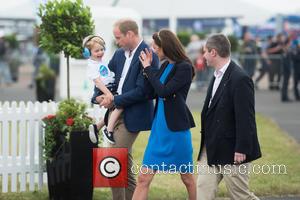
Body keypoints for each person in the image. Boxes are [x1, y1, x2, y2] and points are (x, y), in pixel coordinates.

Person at [132, 29, 196, 200]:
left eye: (156, 48)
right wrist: (145, 70)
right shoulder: (166, 65)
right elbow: (152, 91)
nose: (154, 51)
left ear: (166, 47)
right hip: (159, 128)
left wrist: (148, 68)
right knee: (143, 177)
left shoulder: (185, 67)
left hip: (175, 130)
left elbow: (163, 91)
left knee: (187, 178)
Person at [99, 19, 159, 200]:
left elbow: (143, 92)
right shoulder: (118, 54)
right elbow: (106, 77)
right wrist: (98, 95)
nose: (116, 42)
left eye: (118, 38)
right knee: (123, 163)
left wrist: (114, 99)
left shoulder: (149, 55)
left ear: (130, 34)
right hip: (114, 112)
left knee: (113, 162)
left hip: (133, 114)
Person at [197, 34, 261, 200]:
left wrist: (242, 148)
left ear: (213, 52)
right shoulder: (217, 75)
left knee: (240, 196)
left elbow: (246, 117)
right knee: (203, 190)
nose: (203, 56)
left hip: (233, 150)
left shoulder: (240, 78)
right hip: (212, 147)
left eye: (204, 52)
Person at [83, 35, 121, 144]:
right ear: (88, 53)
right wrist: (109, 94)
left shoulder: (101, 62)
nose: (100, 52)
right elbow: (98, 82)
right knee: (120, 104)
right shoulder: (92, 65)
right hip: (102, 91)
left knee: (113, 109)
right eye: (96, 51)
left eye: (102, 49)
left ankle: (97, 127)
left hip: (110, 89)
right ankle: (108, 130)